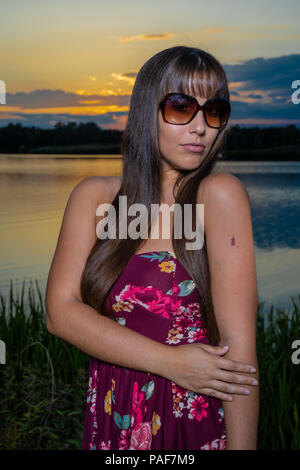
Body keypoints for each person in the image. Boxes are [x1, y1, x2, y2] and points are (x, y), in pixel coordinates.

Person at [45, 45, 259, 450]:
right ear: (146, 110)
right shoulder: (95, 197)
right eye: (181, 107)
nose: (201, 127)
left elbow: (240, 352)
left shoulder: (219, 196)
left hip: (189, 418)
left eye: (214, 111)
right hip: (114, 416)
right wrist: (171, 362)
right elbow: (61, 312)